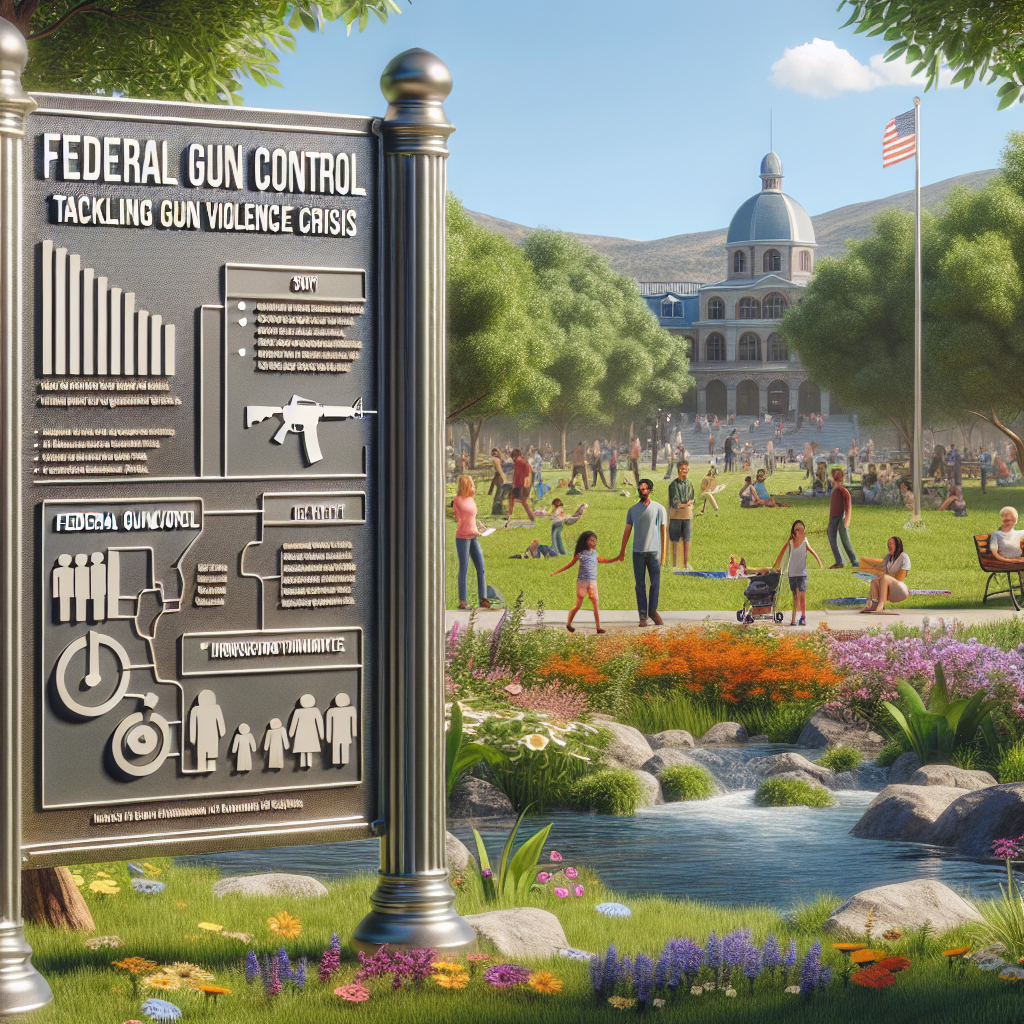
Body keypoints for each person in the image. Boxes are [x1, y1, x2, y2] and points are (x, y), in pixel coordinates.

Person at [614, 478, 667, 627]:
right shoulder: (632, 510)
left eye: (645, 489)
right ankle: (642, 615)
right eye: (640, 489)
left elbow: (664, 533)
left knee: (655, 583)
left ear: (650, 490)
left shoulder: (659, 509)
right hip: (638, 552)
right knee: (640, 584)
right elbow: (627, 531)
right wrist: (622, 551)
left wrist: (663, 555)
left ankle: (653, 611)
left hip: (654, 552)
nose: (642, 492)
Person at [552, 530, 613, 633]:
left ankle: (598, 627)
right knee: (579, 605)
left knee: (595, 604)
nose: (593, 542)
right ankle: (568, 623)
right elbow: (570, 564)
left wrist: (617, 558)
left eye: (595, 540)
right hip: (582, 582)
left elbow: (605, 561)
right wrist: (557, 572)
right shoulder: (580, 554)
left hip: (593, 582)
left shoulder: (595, 554)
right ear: (585, 541)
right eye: (591, 540)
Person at [772, 519, 823, 627]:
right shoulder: (790, 543)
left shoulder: (805, 541)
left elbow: (812, 551)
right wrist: (776, 566)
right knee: (794, 596)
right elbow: (781, 554)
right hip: (792, 573)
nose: (800, 532)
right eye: (797, 530)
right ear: (793, 533)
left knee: (802, 596)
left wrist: (820, 563)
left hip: (802, 573)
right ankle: (793, 620)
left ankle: (803, 617)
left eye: (802, 529)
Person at [453, 476, 491, 610]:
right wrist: (473, 528)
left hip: (474, 537)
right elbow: (463, 517)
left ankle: (483, 599)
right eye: (471, 484)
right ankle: (463, 601)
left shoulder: (470, 499)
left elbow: (471, 516)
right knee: (464, 568)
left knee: (481, 567)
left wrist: (479, 525)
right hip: (463, 538)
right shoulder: (458, 500)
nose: (473, 486)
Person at [860, 536, 911, 613]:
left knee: (884, 577)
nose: (889, 546)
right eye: (888, 544)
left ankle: (881, 605)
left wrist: (886, 578)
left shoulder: (903, 557)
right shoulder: (888, 557)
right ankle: (873, 605)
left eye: (892, 544)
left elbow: (900, 577)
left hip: (900, 589)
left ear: (897, 545)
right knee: (875, 579)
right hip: (888, 588)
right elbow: (881, 570)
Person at [827, 468, 859, 568]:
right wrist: (830, 521)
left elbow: (848, 506)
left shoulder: (843, 491)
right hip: (834, 518)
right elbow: (833, 508)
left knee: (845, 540)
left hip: (841, 517)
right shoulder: (835, 491)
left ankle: (854, 561)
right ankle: (839, 561)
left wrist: (846, 520)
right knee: (831, 537)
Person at [668, 460, 695, 569]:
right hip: (676, 516)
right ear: (679, 470)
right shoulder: (673, 485)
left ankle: (686, 563)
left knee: (686, 539)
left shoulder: (689, 484)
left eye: (686, 469)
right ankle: (674, 564)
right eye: (683, 469)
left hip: (687, 516)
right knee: (675, 540)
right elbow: (674, 502)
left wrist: (683, 504)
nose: (685, 471)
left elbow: (691, 498)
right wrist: (684, 504)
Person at [507, 448, 536, 524]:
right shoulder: (524, 461)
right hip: (527, 484)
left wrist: (514, 485)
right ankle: (531, 517)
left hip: (521, 485)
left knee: (513, 498)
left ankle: (509, 515)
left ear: (515, 456)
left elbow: (518, 475)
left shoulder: (518, 462)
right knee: (522, 501)